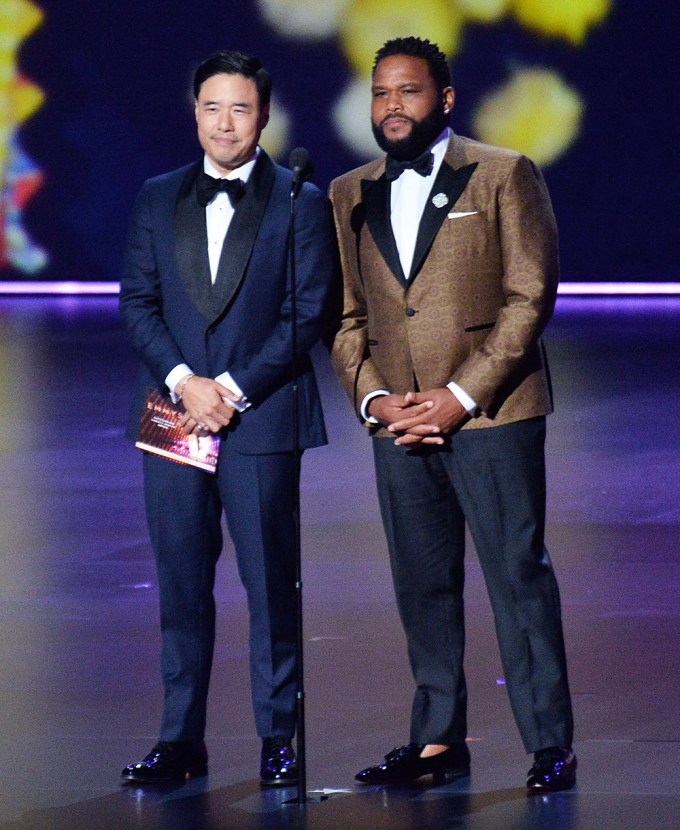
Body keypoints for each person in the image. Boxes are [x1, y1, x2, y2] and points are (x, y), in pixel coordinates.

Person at [329, 37, 575, 792]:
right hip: (398, 421)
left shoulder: (503, 174)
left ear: (445, 98)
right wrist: (375, 399)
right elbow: (347, 316)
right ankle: (437, 740)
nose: (391, 105)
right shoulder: (349, 192)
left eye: (407, 91)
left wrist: (459, 396)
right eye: (380, 93)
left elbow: (529, 298)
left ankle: (549, 745)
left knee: (515, 575)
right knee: (422, 583)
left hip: (492, 415)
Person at [119, 50, 336, 786]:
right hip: (174, 416)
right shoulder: (156, 197)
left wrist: (231, 390)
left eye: (240, 109)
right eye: (212, 107)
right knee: (181, 584)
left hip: (261, 417)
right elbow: (137, 304)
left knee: (272, 586)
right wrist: (187, 385)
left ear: (264, 116)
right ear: (195, 113)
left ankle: (279, 742)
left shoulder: (299, 199)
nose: (225, 123)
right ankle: (181, 739)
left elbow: (305, 315)